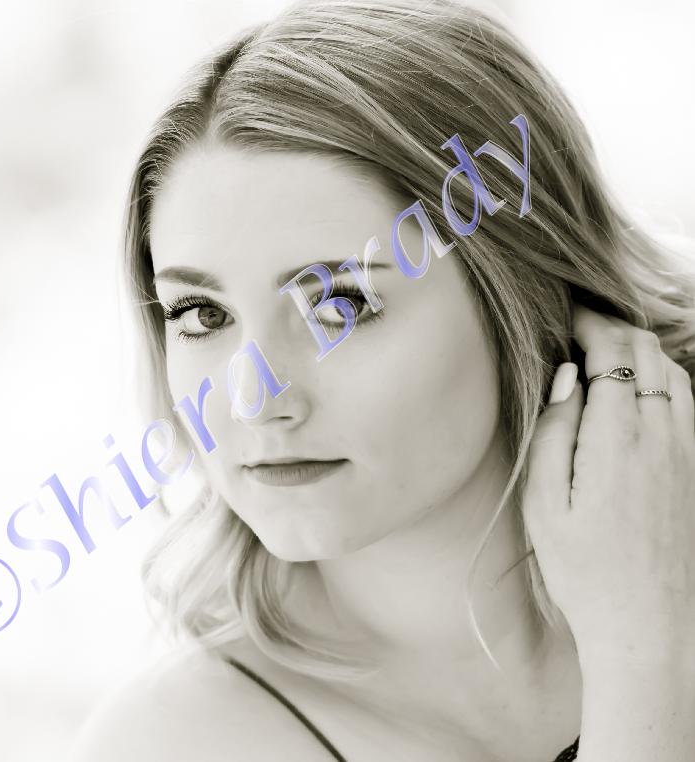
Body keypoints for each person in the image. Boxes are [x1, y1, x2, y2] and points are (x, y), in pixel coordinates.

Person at [70, 1, 695, 759]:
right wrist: (640, 651)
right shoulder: (174, 742)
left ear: (522, 297)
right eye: (202, 314)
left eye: (339, 304)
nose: (252, 399)